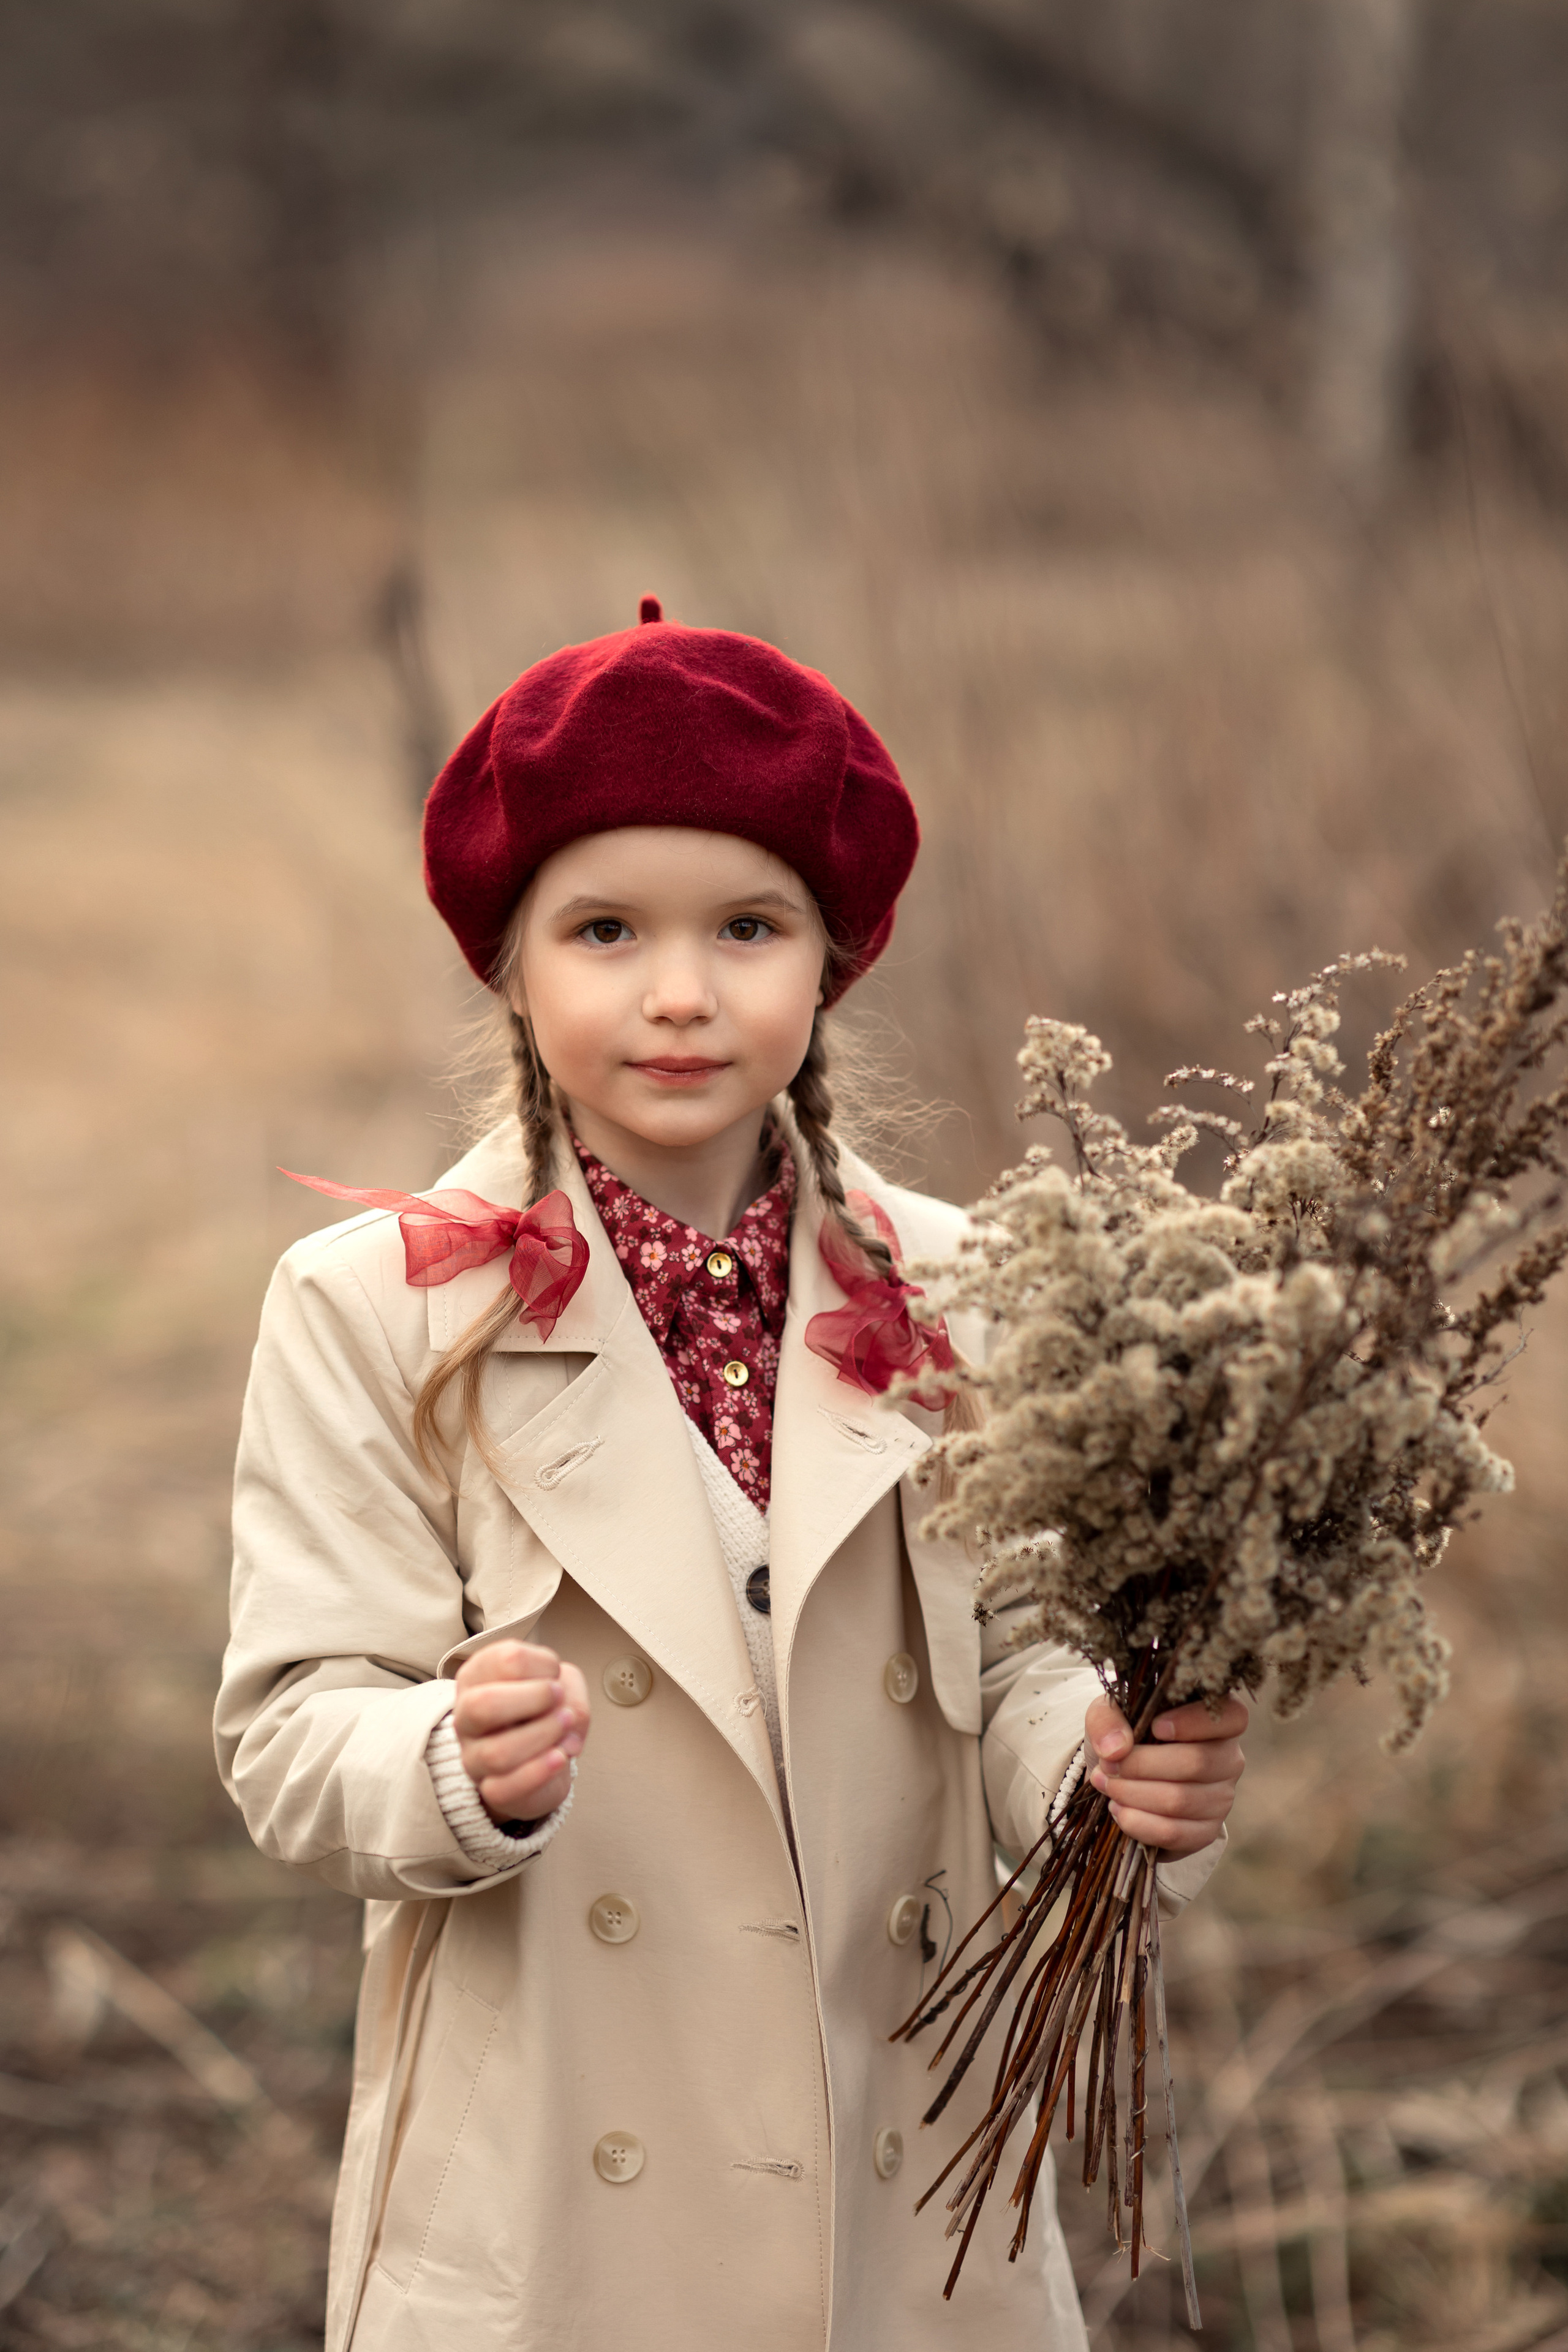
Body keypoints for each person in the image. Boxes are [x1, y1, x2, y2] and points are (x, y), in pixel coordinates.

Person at [215, 599, 1246, 2352]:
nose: (682, 992)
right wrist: (448, 1761)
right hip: (560, 2196)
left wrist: (1100, 1765)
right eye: (606, 929)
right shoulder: (375, 1310)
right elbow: (292, 1730)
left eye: (748, 928)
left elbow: (1018, 1652)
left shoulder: (973, 1285)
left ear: (829, 962)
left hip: (897, 2166)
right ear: (511, 964)